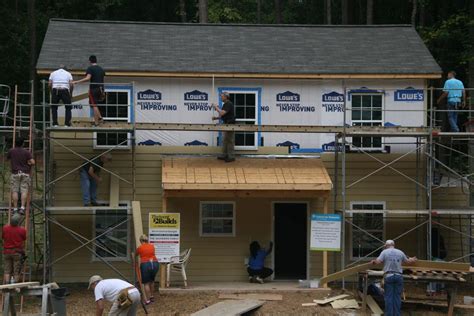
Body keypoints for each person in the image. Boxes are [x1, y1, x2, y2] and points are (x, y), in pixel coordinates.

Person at [371, 240, 417, 316]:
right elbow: (408, 261)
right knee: (397, 297)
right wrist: (413, 259)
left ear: (386, 246)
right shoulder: (400, 252)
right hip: (399, 276)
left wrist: (373, 262)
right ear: (393, 245)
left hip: (389, 276)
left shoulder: (384, 252)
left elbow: (378, 261)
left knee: (389, 297)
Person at [73, 55, 105, 126]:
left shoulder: (90, 68)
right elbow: (101, 79)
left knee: (94, 105)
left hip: (94, 89)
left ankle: (100, 118)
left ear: (90, 61)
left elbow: (88, 78)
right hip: (101, 89)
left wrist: (77, 82)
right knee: (95, 105)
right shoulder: (101, 69)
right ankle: (96, 123)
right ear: (96, 60)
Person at [7, 137, 35, 214]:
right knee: (24, 191)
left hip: (15, 173)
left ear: (15, 143)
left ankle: (15, 208)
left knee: (15, 191)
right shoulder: (26, 152)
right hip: (25, 173)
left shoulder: (11, 151)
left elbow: (8, 158)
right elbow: (33, 162)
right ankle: (22, 208)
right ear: (23, 143)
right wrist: (28, 163)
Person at [2, 214, 26, 283]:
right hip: (17, 252)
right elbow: (24, 238)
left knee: (7, 269)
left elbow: (3, 237)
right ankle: (15, 285)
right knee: (16, 270)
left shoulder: (5, 228)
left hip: (7, 252)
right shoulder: (22, 230)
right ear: (18, 222)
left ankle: (7, 284)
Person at [212, 92, 236, 162]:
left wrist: (216, 107)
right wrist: (216, 118)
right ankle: (225, 155)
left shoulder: (228, 104)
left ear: (226, 97)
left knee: (230, 140)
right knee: (225, 140)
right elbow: (223, 115)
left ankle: (231, 156)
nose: (221, 97)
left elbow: (222, 112)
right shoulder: (225, 104)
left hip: (230, 124)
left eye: (222, 96)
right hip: (226, 124)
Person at [136, 234, 159, 305]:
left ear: (141, 241)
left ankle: (148, 300)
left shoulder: (140, 248)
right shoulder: (152, 246)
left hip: (146, 264)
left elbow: (136, 255)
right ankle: (152, 297)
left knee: (146, 283)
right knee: (152, 281)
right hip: (155, 263)